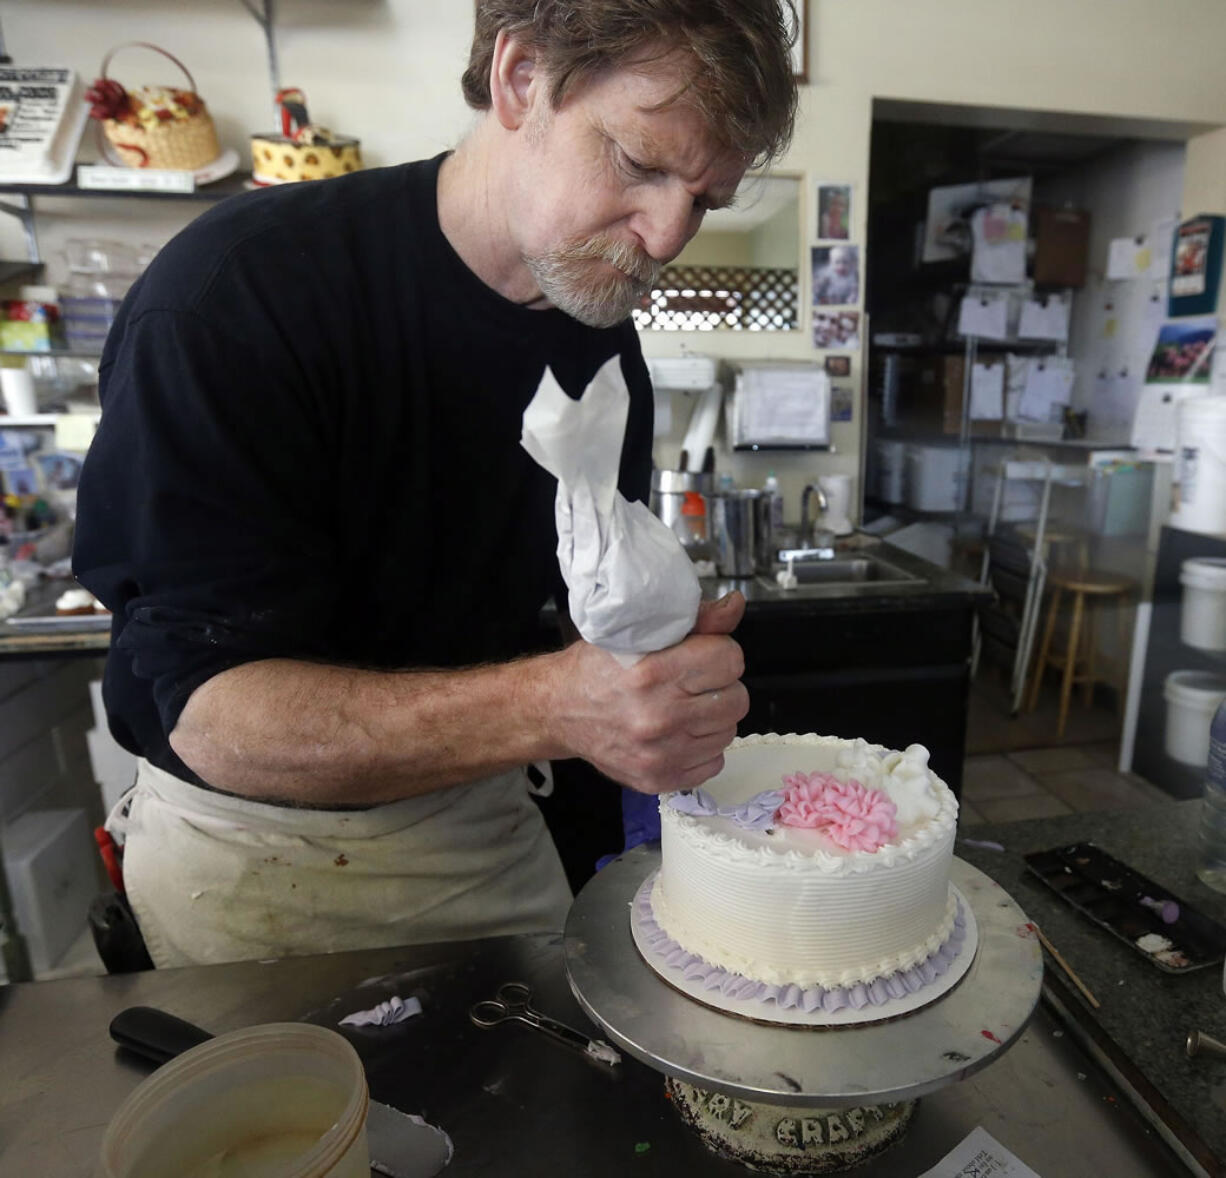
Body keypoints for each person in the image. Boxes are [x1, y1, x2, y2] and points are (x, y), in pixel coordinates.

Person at [73, 0, 798, 968]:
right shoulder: (236, 300)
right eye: (639, 163)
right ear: (519, 78)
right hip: (252, 865)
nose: (669, 236)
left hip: (487, 821)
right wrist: (558, 704)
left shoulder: (596, 345)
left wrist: (638, 656)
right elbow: (210, 716)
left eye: (704, 199)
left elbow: (557, 634)